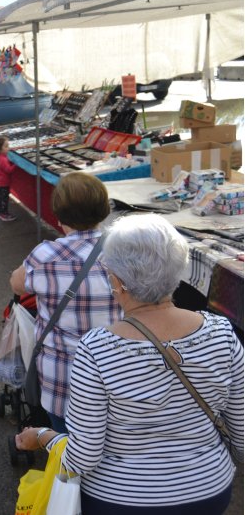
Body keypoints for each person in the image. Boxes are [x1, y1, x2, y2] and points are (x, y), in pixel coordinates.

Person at [16, 214, 243, 514]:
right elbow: (241, 432)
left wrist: (43, 436)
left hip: (119, 500)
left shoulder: (96, 350)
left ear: (118, 282)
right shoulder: (223, 334)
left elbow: (84, 457)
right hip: (208, 491)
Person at [9, 172, 122, 432]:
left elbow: (17, 283)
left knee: (66, 446)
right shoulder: (121, 250)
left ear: (59, 216)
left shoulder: (46, 255)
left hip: (62, 378)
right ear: (104, 210)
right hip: (116, 372)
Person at [0, 136, 17, 222]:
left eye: (8, 145)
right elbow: (8, 170)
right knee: (3, 199)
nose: (8, 148)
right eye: (6, 146)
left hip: (0, 182)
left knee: (3, 198)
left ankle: (3, 213)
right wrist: (16, 164)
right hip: (3, 183)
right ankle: (3, 214)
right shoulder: (2, 159)